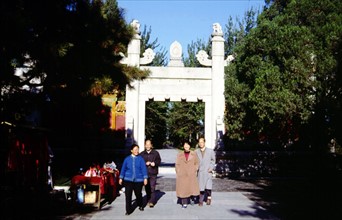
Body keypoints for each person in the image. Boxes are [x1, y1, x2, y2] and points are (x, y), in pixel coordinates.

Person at [119, 144, 148, 215]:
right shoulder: (127, 159)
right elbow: (123, 169)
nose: (136, 151)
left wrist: (145, 178)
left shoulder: (141, 159)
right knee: (128, 195)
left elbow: (144, 169)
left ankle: (140, 205)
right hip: (128, 180)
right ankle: (128, 210)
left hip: (138, 180)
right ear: (131, 150)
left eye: (137, 149)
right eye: (135, 150)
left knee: (138, 194)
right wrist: (121, 178)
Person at [175, 141, 200, 209]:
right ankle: (184, 203)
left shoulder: (194, 154)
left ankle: (191, 198)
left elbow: (197, 163)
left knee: (191, 188)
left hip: (191, 174)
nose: (186, 147)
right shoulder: (179, 154)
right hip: (182, 174)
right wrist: (178, 171)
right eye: (185, 145)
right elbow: (177, 164)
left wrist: (195, 169)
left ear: (189, 146)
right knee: (183, 189)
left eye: (187, 145)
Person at [140, 139, 161, 208]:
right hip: (145, 173)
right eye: (146, 144)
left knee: (152, 186)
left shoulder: (156, 153)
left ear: (151, 145)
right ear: (145, 145)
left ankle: (151, 201)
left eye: (149, 144)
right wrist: (144, 163)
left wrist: (154, 163)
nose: (148, 146)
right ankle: (148, 198)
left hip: (153, 172)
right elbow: (139, 163)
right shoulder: (142, 154)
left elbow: (159, 161)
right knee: (147, 187)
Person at [195, 137, 216, 206]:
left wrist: (211, 168)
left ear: (204, 142)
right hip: (200, 172)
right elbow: (195, 161)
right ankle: (200, 200)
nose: (201, 144)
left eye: (202, 142)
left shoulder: (210, 151)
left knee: (208, 187)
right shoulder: (196, 151)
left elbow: (213, 160)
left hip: (207, 171)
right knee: (200, 187)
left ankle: (209, 198)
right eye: (199, 142)